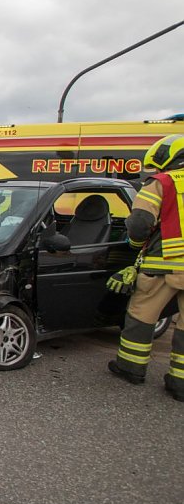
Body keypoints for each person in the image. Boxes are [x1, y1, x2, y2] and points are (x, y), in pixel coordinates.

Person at [107, 134, 184, 401]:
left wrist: (136, 243)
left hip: (165, 263)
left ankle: (131, 368)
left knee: (141, 316)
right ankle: (180, 383)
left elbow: (139, 222)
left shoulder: (161, 183)